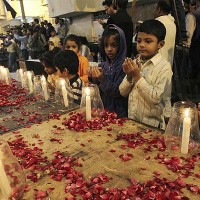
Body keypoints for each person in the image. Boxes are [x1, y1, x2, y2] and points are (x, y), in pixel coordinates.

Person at [119, 20, 172, 129]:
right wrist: (129, 76)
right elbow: (122, 92)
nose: (142, 45)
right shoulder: (135, 62)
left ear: (160, 44)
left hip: (152, 126)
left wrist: (137, 76)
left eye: (148, 41)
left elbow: (156, 98)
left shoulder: (164, 67)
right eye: (139, 41)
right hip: (133, 121)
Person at [88, 24, 128, 118]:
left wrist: (102, 78)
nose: (109, 49)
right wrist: (92, 77)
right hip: (104, 109)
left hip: (119, 112)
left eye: (114, 45)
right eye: (106, 45)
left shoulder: (125, 66)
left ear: (121, 45)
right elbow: (96, 87)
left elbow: (117, 92)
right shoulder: (103, 65)